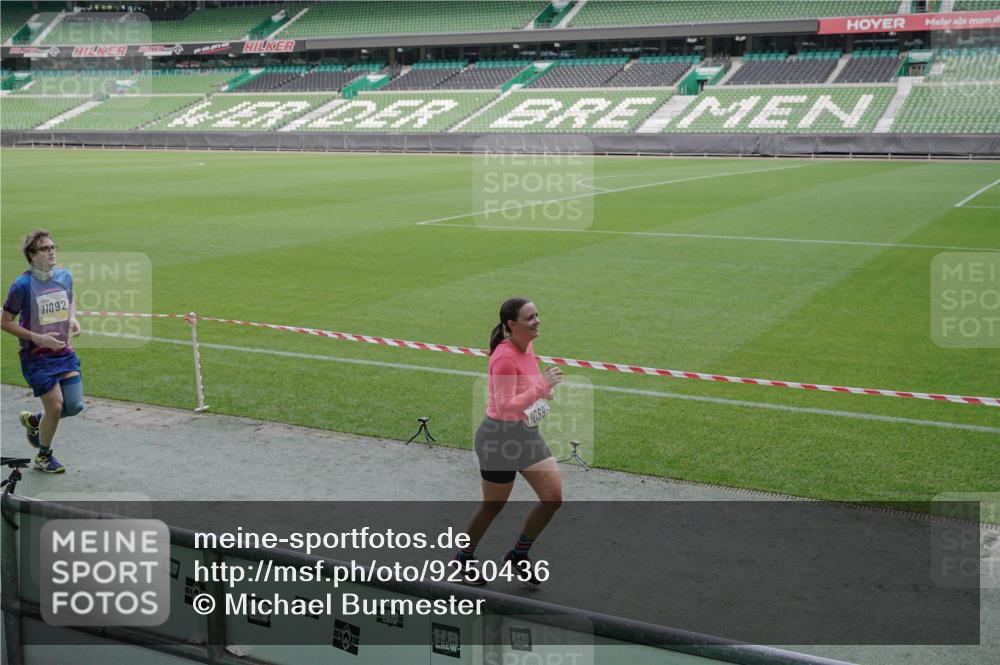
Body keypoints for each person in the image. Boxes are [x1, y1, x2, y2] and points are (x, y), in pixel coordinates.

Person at [453, 297, 564, 587]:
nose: (537, 320)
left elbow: (527, 383)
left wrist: (542, 391)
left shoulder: (528, 346)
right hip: (499, 438)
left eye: (537, 315)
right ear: (511, 325)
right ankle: (463, 559)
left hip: (525, 435)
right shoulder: (503, 358)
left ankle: (518, 555)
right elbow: (504, 408)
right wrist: (543, 386)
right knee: (493, 506)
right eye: (530, 317)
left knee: (552, 498)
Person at [1, 230, 84, 473]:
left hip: (63, 353)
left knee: (75, 406)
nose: (51, 252)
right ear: (32, 255)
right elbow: (5, 321)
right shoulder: (22, 285)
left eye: (53, 247)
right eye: (45, 248)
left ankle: (35, 420)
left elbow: (70, 300)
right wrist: (39, 338)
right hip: (36, 358)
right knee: (56, 407)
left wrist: (72, 319)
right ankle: (44, 456)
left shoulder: (65, 276)